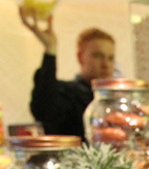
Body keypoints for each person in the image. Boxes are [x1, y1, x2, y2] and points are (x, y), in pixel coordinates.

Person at [20, 7, 115, 139]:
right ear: (80, 57)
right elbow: (45, 110)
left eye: (111, 58)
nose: (106, 64)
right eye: (98, 56)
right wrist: (50, 50)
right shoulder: (66, 93)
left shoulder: (115, 101)